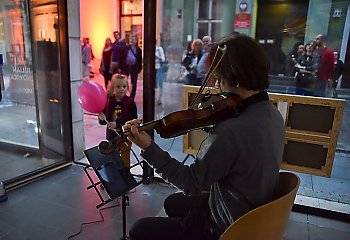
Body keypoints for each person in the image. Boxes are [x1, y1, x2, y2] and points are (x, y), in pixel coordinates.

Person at [124, 35, 285, 240]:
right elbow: (238, 153)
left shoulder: (232, 130)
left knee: (140, 229)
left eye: (218, 77)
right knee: (173, 203)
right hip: (250, 210)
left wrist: (148, 147)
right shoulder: (272, 114)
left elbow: (190, 183)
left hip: (228, 225)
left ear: (234, 77)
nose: (217, 84)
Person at [98, 74, 137, 167]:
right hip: (112, 135)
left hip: (125, 135)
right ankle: (115, 174)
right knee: (112, 156)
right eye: (118, 86)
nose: (122, 89)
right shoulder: (108, 101)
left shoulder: (130, 102)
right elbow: (104, 121)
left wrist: (117, 124)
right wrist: (101, 118)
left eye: (124, 86)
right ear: (112, 88)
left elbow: (132, 119)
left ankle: (126, 173)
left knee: (125, 156)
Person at [120, 34, 142, 100]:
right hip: (126, 67)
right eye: (131, 39)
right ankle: (124, 94)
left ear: (136, 41)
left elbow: (140, 60)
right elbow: (121, 57)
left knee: (134, 83)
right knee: (124, 81)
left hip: (134, 67)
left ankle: (132, 97)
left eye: (133, 39)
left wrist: (139, 68)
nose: (132, 40)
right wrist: (120, 67)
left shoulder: (138, 49)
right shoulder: (125, 48)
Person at [155, 39, 166, 105]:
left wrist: (157, 56)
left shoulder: (159, 49)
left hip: (159, 68)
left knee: (159, 84)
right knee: (154, 85)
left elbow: (163, 59)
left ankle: (159, 99)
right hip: (152, 69)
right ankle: (155, 99)